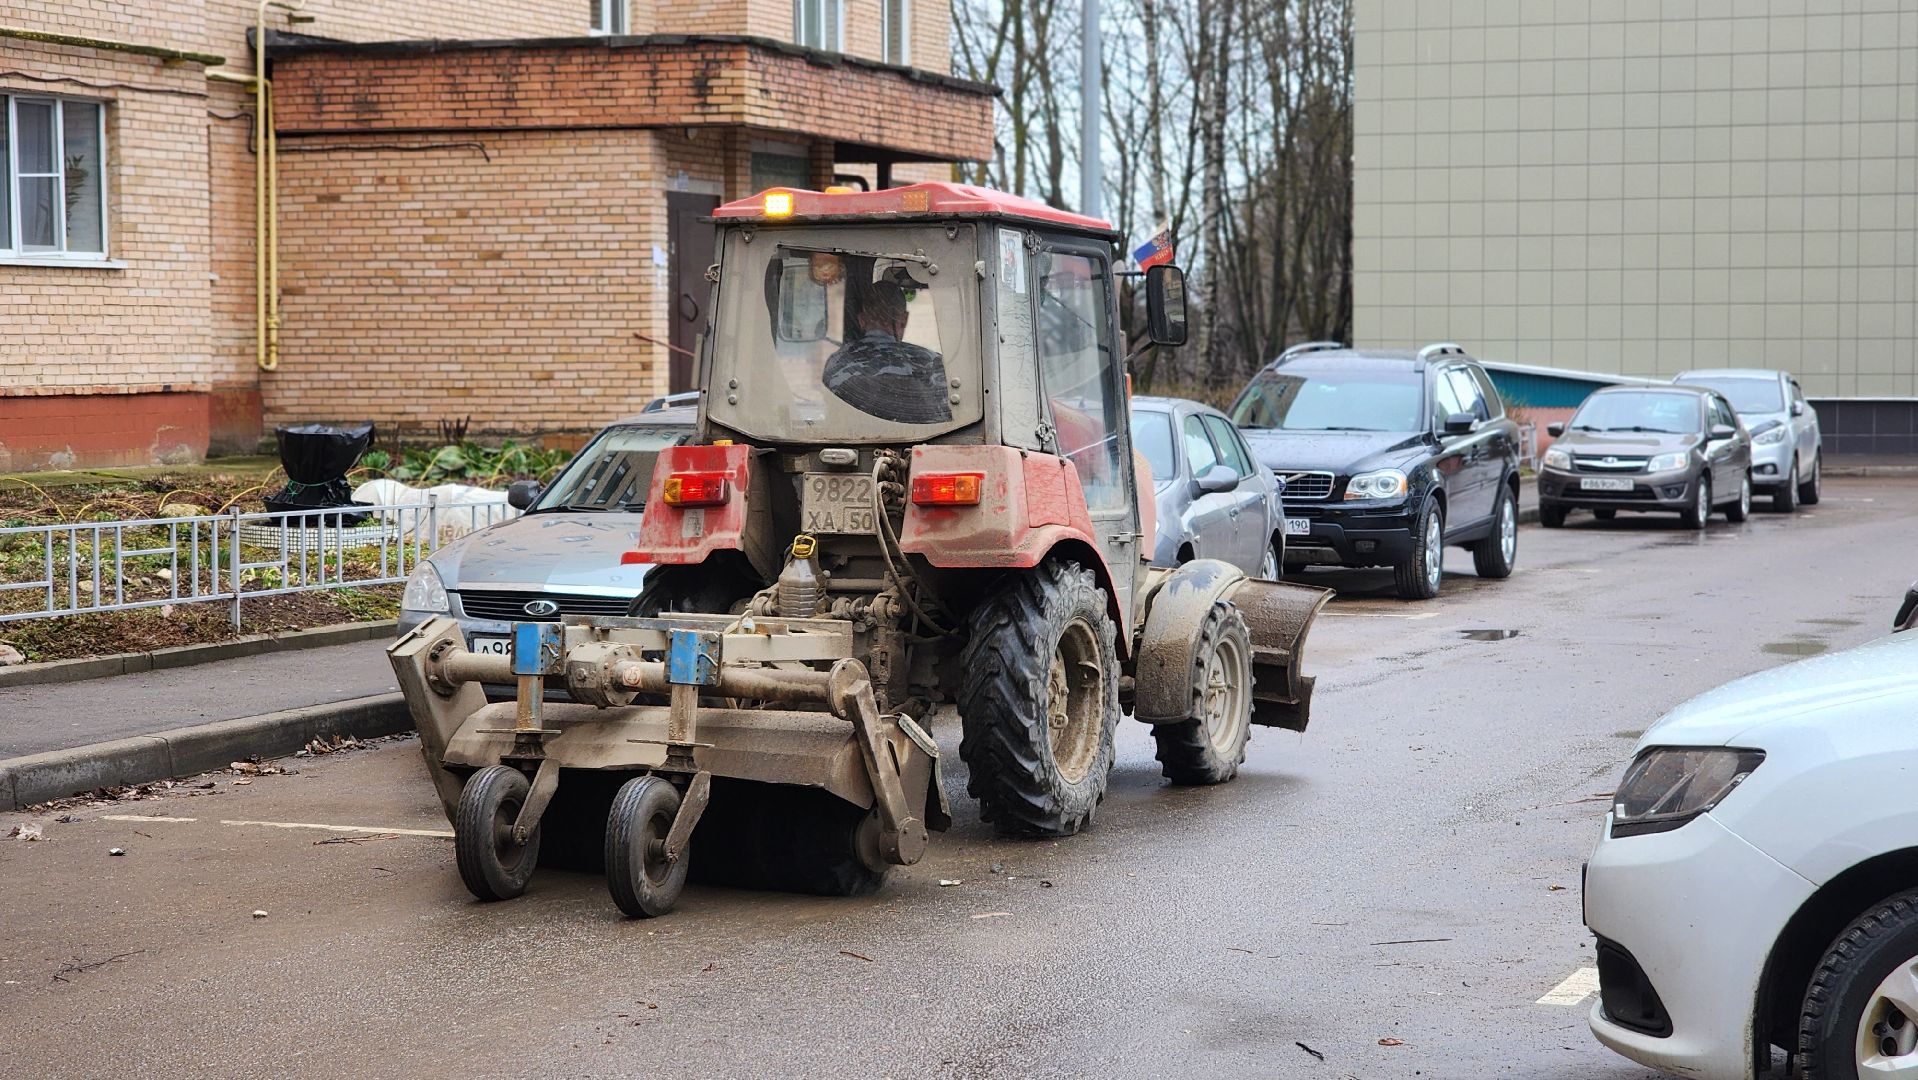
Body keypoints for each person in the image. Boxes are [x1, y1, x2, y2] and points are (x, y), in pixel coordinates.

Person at [821, 279, 952, 424]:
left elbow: (832, 418)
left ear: (862, 320)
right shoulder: (933, 363)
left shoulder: (836, 363)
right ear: (904, 319)